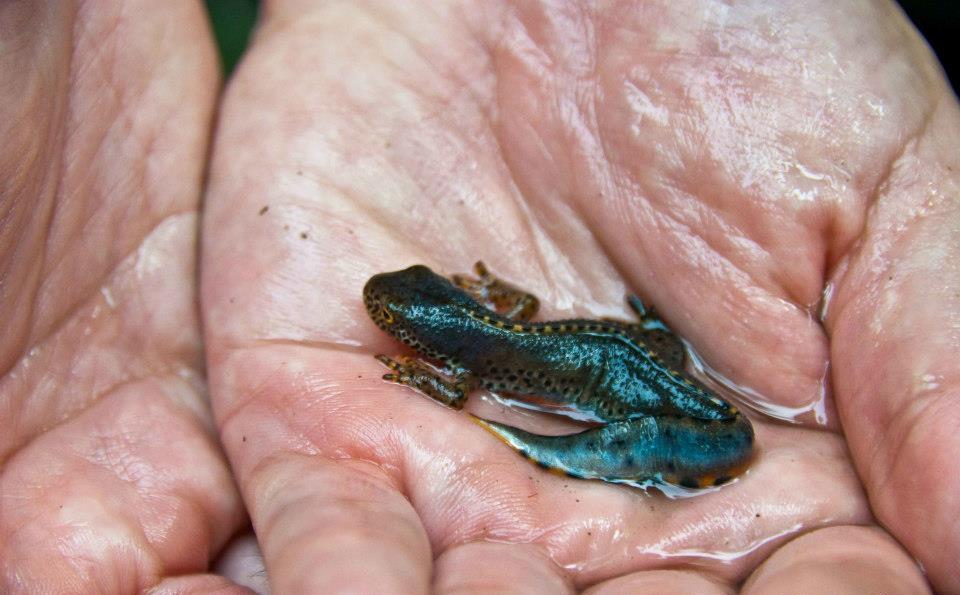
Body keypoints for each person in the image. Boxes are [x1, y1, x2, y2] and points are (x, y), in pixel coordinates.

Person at [1, 2, 955, 593]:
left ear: (432, 326)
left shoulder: (465, 355)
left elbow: (459, 385)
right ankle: (624, 414)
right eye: (395, 316)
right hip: (629, 355)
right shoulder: (488, 333)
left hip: (629, 375)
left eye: (395, 319)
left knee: (658, 414)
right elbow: (504, 330)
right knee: (635, 373)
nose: (384, 319)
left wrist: (425, 383)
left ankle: (619, 441)